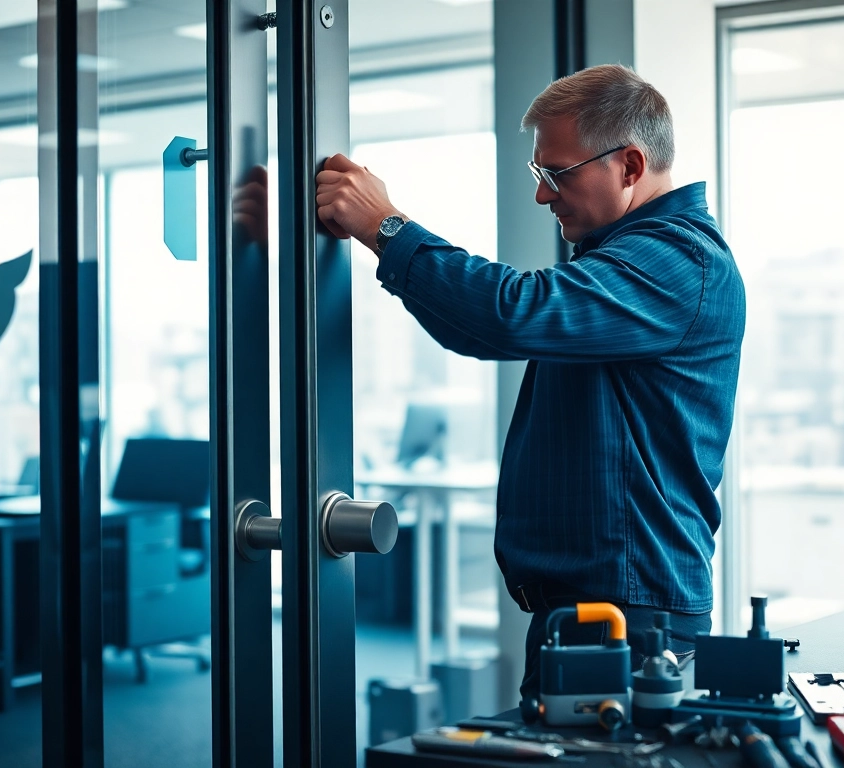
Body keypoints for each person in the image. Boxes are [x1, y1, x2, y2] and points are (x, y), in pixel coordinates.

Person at [316, 64, 745, 701]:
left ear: (629, 165)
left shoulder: (680, 261)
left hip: (629, 614)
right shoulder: (623, 259)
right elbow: (486, 329)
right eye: (537, 173)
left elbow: (509, 313)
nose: (543, 195)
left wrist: (386, 226)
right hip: (598, 608)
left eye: (557, 174)